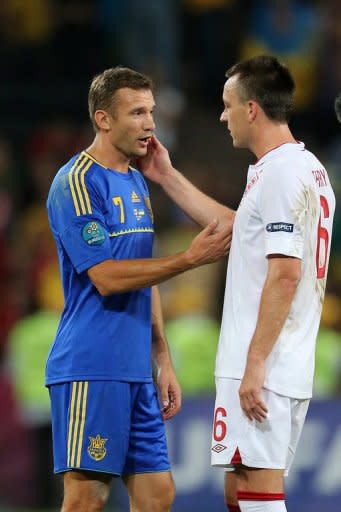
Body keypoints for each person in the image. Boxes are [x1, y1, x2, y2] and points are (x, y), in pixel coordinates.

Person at [139, 55, 335, 512]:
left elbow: (285, 275)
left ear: (252, 109)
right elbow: (238, 231)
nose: (222, 116)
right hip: (274, 356)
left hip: (266, 358)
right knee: (241, 488)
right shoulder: (300, 169)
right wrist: (166, 175)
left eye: (228, 105)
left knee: (260, 492)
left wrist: (256, 362)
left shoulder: (282, 174)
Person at [45, 66, 232, 512]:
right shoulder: (77, 183)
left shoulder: (136, 181)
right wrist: (188, 260)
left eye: (151, 111)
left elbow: (143, 275)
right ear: (103, 119)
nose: (150, 123)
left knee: (157, 494)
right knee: (87, 498)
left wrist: (162, 356)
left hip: (136, 369)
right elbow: (107, 277)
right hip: (92, 365)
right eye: (137, 112)